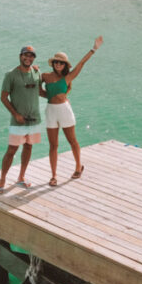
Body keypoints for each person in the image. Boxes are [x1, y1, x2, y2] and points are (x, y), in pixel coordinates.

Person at [40, 36, 103, 186]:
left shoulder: (68, 77)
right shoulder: (45, 76)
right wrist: (35, 71)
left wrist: (93, 49)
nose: (58, 64)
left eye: (61, 62)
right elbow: (36, 87)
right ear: (53, 63)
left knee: (72, 140)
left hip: (64, 110)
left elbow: (81, 63)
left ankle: (78, 167)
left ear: (65, 64)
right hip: (51, 111)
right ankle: (54, 176)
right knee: (53, 145)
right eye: (56, 62)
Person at [0, 45, 42, 193]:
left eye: (31, 56)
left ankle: (21, 178)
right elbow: (3, 97)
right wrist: (15, 114)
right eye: (25, 55)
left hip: (34, 119)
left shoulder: (36, 72)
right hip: (18, 121)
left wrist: (59, 97)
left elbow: (40, 90)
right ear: (20, 56)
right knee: (11, 150)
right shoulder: (11, 75)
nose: (28, 58)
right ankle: (2, 181)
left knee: (28, 147)